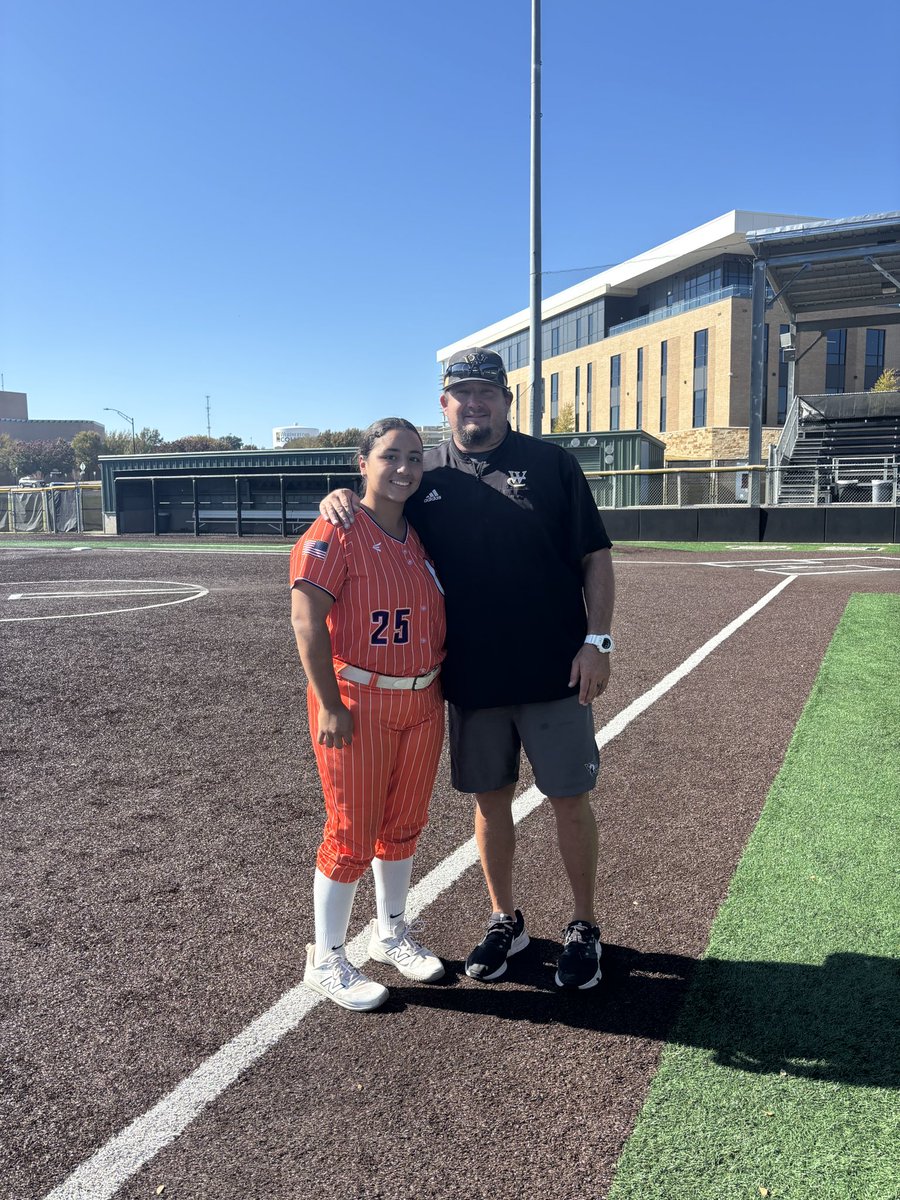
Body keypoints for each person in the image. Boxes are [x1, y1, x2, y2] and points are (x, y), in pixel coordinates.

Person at [320, 348, 615, 991]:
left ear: (506, 399)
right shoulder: (425, 475)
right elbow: (378, 505)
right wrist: (340, 494)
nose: (474, 402)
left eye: (487, 391)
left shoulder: (552, 465)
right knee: (490, 803)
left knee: (569, 799)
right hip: (472, 682)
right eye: (462, 393)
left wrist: (598, 641)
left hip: (556, 672)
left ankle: (584, 924)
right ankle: (504, 919)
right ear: (444, 403)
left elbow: (595, 556)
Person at [291, 417, 447, 1011]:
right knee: (352, 832)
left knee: (403, 824)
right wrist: (329, 703)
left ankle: (391, 932)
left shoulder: (420, 531)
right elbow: (306, 620)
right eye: (390, 456)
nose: (404, 468)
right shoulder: (338, 527)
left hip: (422, 696)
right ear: (362, 463)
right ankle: (326, 957)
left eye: (413, 456)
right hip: (359, 697)